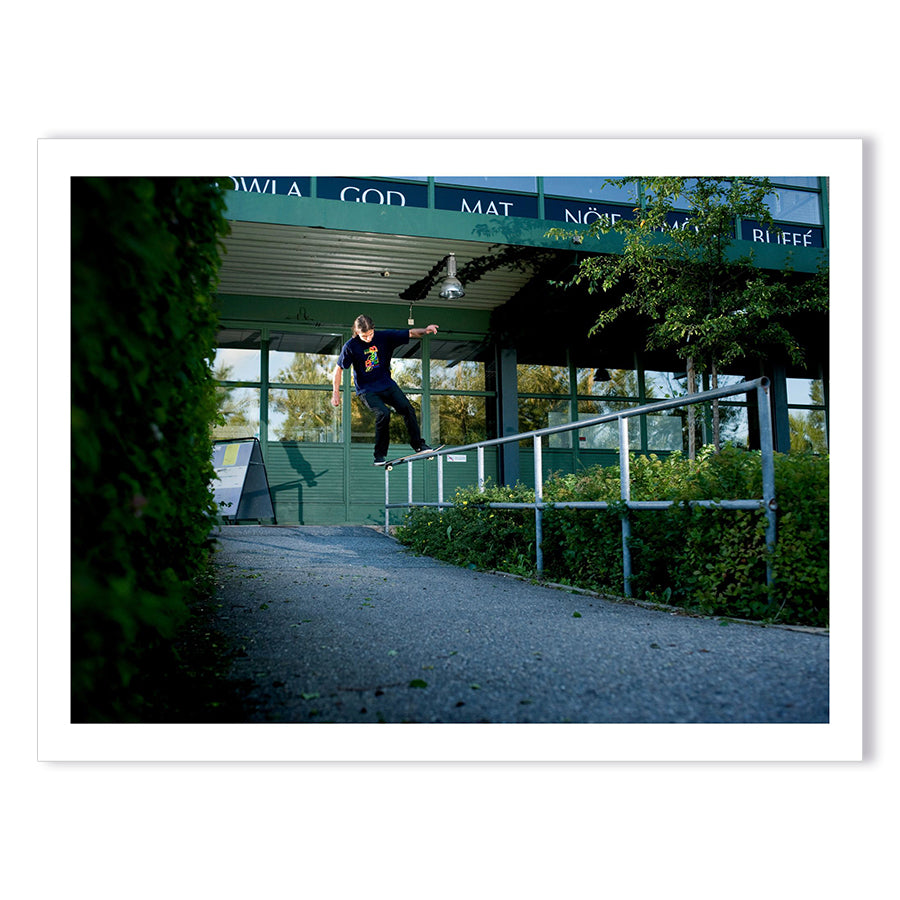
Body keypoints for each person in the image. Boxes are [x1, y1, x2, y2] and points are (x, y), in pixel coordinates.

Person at [331, 314, 439, 465]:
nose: (368, 339)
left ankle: (419, 445)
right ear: (357, 333)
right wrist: (335, 393)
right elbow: (338, 369)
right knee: (383, 413)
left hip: (387, 384)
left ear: (374, 329)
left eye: (370, 335)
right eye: (364, 336)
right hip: (367, 390)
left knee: (408, 409)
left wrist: (426, 330)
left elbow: (410, 333)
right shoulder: (350, 346)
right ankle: (379, 455)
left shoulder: (384, 337)